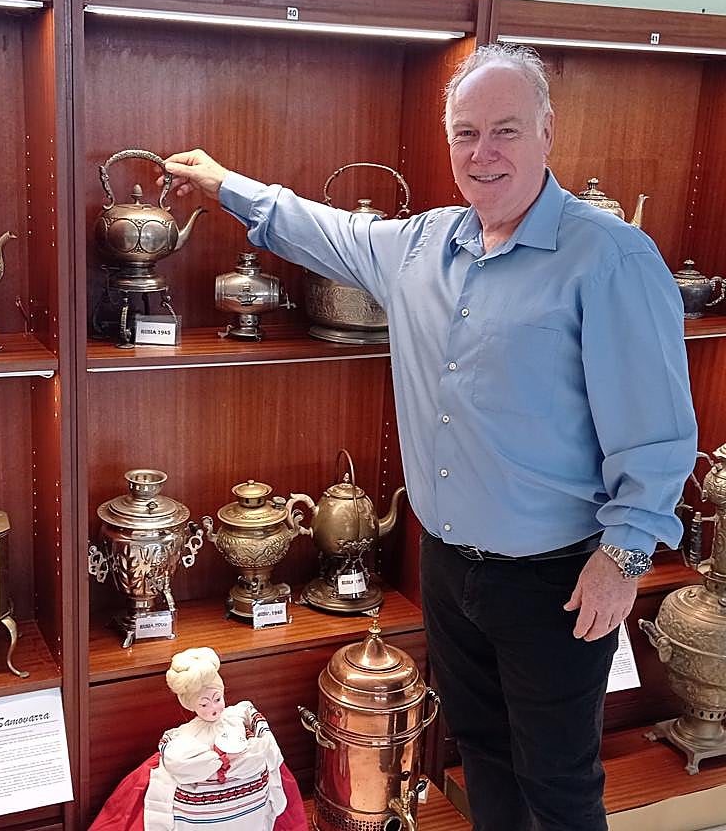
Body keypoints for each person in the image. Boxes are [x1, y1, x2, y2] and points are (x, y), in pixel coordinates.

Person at [162, 43, 697, 831]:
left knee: (558, 782)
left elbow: (655, 431)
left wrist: (623, 559)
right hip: (447, 567)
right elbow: (318, 228)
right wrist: (223, 184)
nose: (484, 153)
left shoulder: (610, 257)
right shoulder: (420, 245)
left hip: (558, 580)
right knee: (481, 755)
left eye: (506, 131)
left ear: (547, 132)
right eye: (466, 133)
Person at [88, 647, 305, 831]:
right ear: (191, 705)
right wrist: (223, 759)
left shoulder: (237, 717)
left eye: (217, 699)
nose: (213, 708)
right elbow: (176, 760)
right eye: (204, 704)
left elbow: (262, 741)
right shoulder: (184, 737)